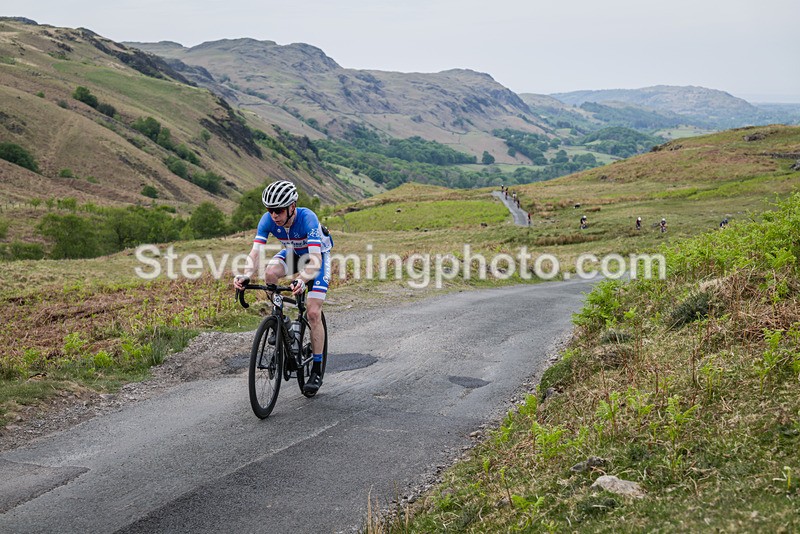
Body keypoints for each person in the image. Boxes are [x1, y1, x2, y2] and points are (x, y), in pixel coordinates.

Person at [233, 180, 333, 395]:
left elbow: (314, 261)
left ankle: (316, 368)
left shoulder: (308, 219)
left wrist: (302, 280)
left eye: (278, 210)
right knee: (270, 273)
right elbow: (255, 253)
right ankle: (280, 320)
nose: (273, 215)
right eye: (270, 210)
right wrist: (246, 275)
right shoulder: (267, 220)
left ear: (292, 207)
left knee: (313, 312)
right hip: (293, 253)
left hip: (317, 257)